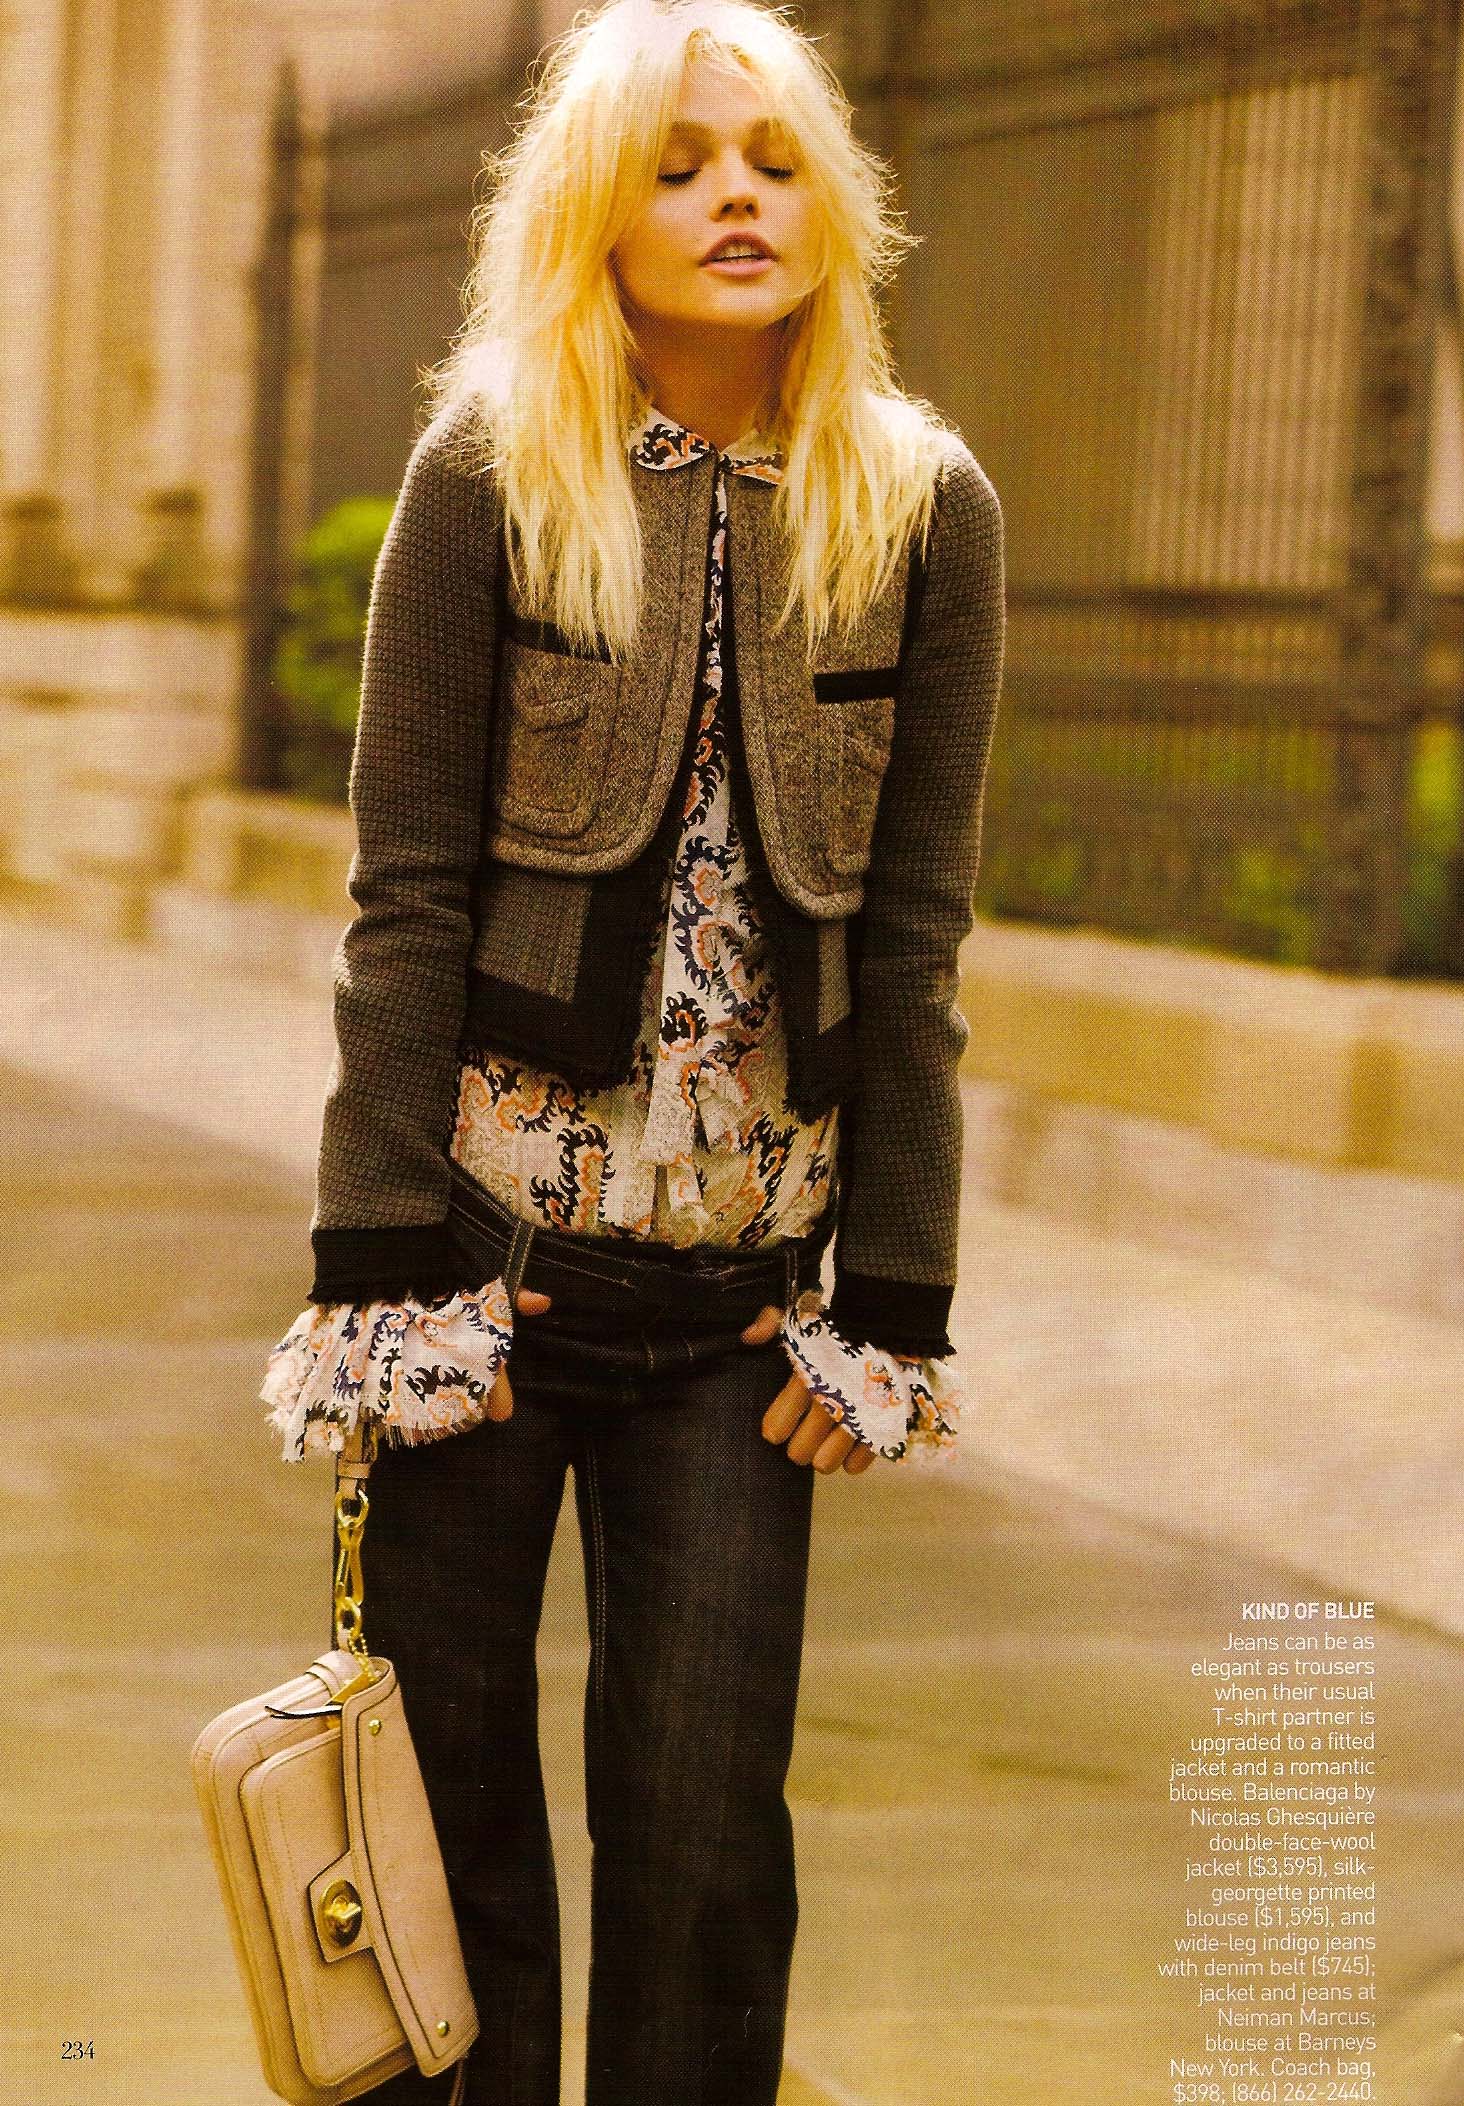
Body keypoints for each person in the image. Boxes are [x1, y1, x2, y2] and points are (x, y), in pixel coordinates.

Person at [258, 2, 1005, 2100]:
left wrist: (897, 1304)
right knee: (453, 1845)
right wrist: (376, 1272)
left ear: (829, 203)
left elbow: (919, 944)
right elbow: (405, 898)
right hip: (480, 1291)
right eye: (677, 168)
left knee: (700, 1854)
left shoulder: (922, 509)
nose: (733, 200)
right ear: (595, 213)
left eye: (770, 162)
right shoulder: (491, 475)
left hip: (737, 1330)